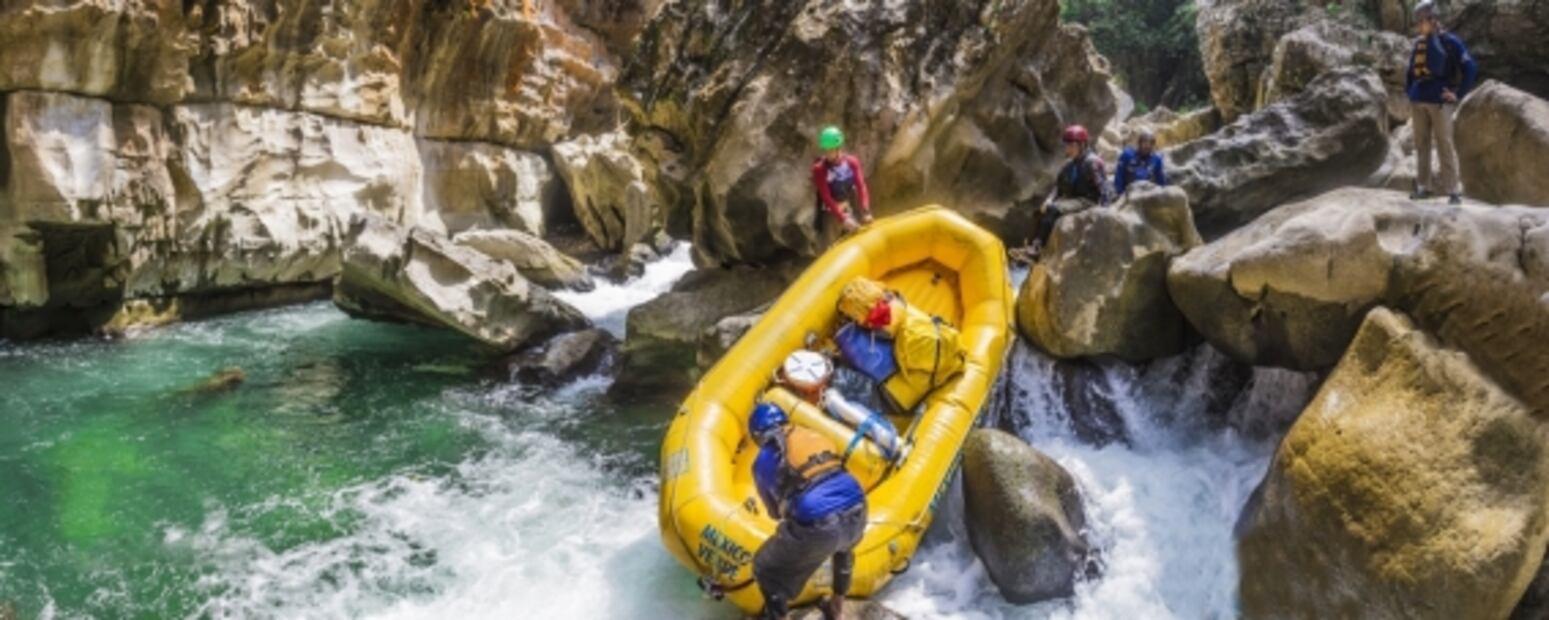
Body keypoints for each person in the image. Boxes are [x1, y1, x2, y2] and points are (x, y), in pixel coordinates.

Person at [749, 402, 868, 620]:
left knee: (764, 568)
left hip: (820, 524)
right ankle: (837, 609)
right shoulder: (812, 435)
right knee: (844, 550)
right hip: (858, 510)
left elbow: (775, 513)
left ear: (758, 434)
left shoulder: (765, 458)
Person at [1406, 0, 1477, 206]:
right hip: (1419, 99)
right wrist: (1410, 93)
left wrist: (1457, 93)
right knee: (1421, 144)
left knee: (1444, 143)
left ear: (1432, 20)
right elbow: (1410, 72)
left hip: (1440, 100)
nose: (1418, 26)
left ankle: (1453, 190)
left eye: (1421, 22)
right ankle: (1423, 187)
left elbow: (1469, 67)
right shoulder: (1418, 43)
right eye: (1417, 22)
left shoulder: (1450, 42)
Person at [1015, 124, 1111, 261]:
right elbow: (1058, 187)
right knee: (1042, 211)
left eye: (1071, 145)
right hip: (1073, 199)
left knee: (1054, 209)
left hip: (1088, 200)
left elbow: (1104, 190)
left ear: (1082, 145)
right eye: (1067, 145)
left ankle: (1037, 248)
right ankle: (1031, 247)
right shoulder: (1069, 165)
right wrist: (1049, 199)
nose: (1068, 149)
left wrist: (1104, 213)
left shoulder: (1093, 163)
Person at [812, 126, 874, 246]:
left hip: (847, 206)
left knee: (856, 240)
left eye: (831, 150)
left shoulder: (851, 162)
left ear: (838, 148)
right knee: (829, 247)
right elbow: (825, 196)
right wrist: (842, 218)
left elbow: (861, 186)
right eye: (826, 150)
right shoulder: (820, 169)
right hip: (830, 212)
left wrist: (866, 211)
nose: (828, 154)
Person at [1114, 129, 1167, 195]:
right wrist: (1120, 193)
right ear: (1139, 143)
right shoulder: (1127, 154)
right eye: (1145, 142)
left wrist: (1163, 194)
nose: (1147, 146)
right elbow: (1119, 175)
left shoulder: (1156, 159)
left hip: (1146, 193)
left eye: (1150, 143)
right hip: (1127, 192)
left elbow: (1160, 179)